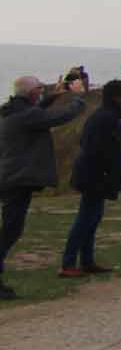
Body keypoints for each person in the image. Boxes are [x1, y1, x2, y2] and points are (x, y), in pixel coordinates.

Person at [1, 73, 87, 300]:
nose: (42, 90)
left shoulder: (13, 110)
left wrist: (52, 96)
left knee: (10, 229)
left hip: (11, 177)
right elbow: (61, 116)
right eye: (39, 88)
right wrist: (78, 97)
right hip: (18, 179)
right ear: (31, 93)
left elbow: (36, 111)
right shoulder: (27, 116)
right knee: (10, 231)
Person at [61, 79, 121, 277]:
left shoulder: (106, 116)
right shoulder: (105, 118)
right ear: (116, 97)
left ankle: (87, 261)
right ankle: (68, 264)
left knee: (93, 219)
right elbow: (93, 148)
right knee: (85, 219)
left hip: (96, 174)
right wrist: (106, 172)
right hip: (94, 175)